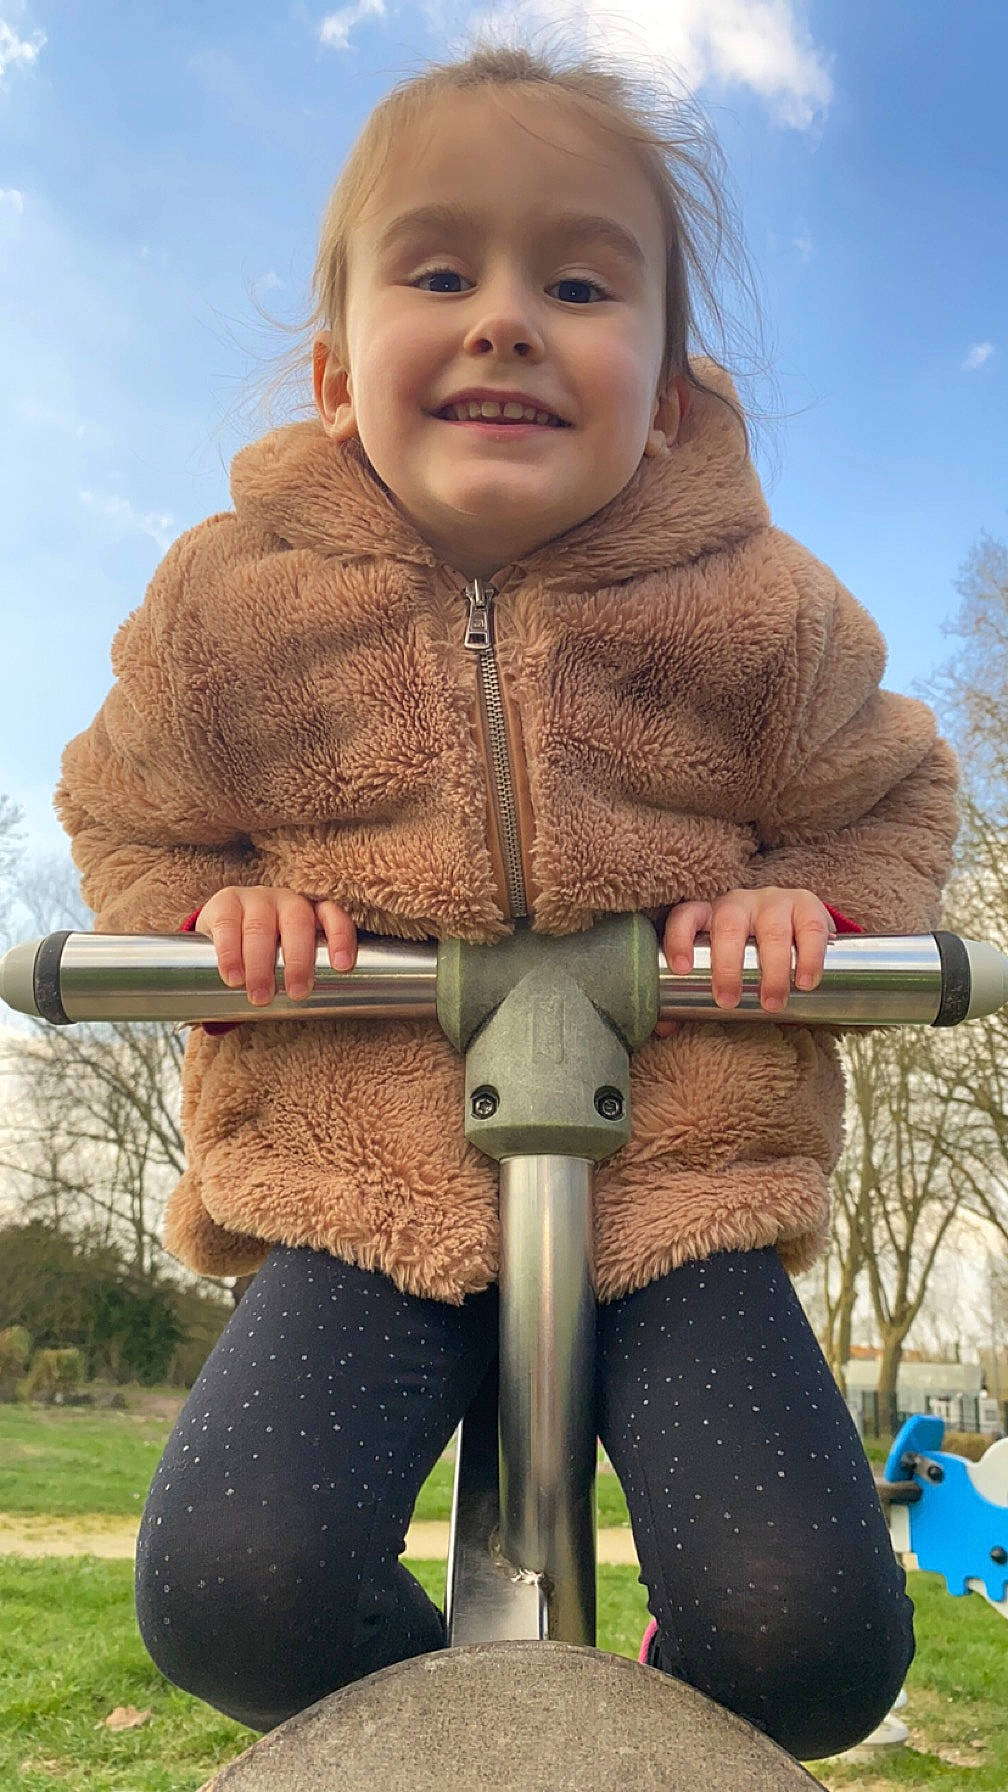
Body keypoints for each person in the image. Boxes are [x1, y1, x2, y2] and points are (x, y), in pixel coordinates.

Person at [56, 41, 958, 1759]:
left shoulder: (762, 615)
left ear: (670, 396)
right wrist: (204, 918)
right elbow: (129, 809)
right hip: (360, 1171)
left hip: (677, 1179)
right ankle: (449, 1740)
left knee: (812, 1634)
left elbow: (896, 795)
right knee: (234, 1585)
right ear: (336, 374)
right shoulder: (231, 611)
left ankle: (638, 1746)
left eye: (577, 280)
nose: (504, 318)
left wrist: (813, 911)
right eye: (442, 269)